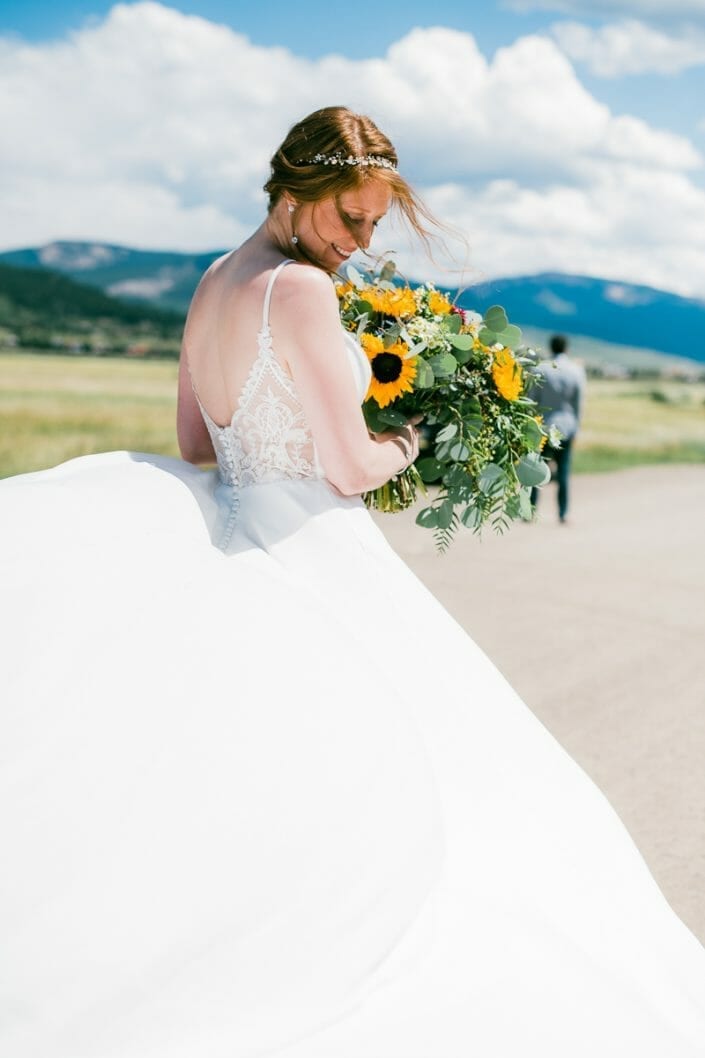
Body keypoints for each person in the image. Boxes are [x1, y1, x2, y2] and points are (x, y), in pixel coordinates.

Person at [1, 107, 704, 1057]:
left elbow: (194, 443)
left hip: (241, 520)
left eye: (372, 225)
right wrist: (410, 437)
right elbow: (347, 467)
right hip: (315, 540)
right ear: (293, 192)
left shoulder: (215, 279)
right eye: (350, 219)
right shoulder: (297, 289)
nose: (360, 242)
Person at [530, 333, 586, 523]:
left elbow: (532, 401)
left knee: (537, 470)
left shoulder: (541, 369)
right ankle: (562, 512)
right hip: (567, 426)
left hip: (543, 426)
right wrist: (577, 427)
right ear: (566, 348)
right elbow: (578, 404)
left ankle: (530, 510)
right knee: (563, 471)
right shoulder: (576, 370)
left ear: (551, 347)